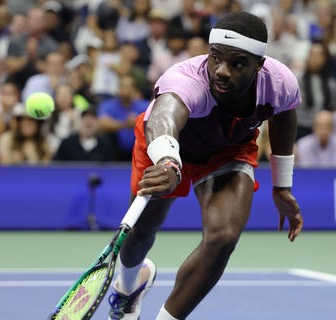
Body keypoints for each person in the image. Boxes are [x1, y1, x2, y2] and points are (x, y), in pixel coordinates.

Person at [107, 12, 304, 320]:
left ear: (259, 65)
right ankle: (128, 285)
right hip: (166, 148)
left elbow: (284, 116)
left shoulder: (280, 82)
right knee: (140, 235)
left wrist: (282, 186)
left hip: (228, 150)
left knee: (223, 236)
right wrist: (169, 161)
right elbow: (163, 119)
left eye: (237, 64)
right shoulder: (186, 80)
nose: (221, 71)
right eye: (216, 59)